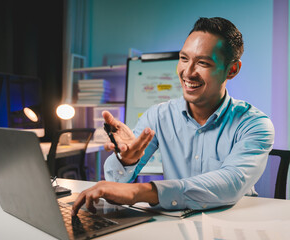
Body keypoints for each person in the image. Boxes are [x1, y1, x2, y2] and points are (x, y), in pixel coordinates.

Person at [72, 17, 275, 215]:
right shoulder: (158, 116)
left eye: (203, 63)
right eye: (184, 58)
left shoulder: (255, 124)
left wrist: (141, 192)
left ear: (232, 70)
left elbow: (231, 183)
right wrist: (126, 161)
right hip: (175, 224)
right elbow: (116, 188)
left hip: (235, 222)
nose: (188, 72)